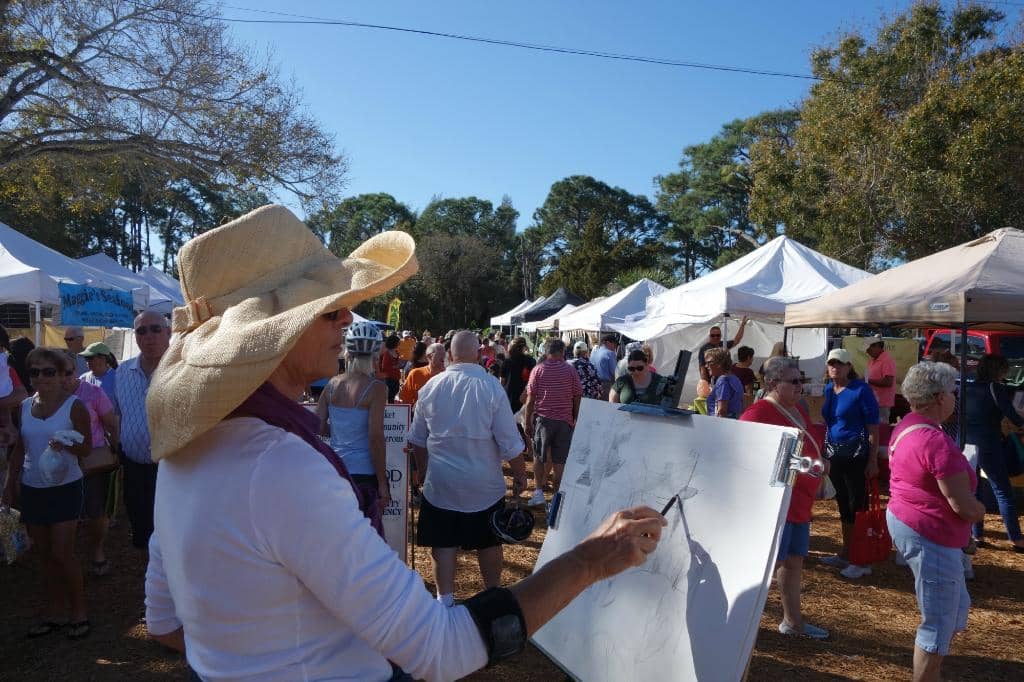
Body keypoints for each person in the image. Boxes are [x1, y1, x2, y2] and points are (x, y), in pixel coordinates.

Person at [140, 207, 668, 679]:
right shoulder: (280, 467)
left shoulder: (187, 453)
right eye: (328, 310)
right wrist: (593, 559)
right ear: (272, 334)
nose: (347, 318)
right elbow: (443, 651)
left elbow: (165, 624)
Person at [410, 330, 531, 607]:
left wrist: (422, 470)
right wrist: (521, 476)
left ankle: (445, 601)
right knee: (488, 542)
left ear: (450, 355)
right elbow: (509, 441)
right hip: (484, 484)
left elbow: (418, 440)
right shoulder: (491, 387)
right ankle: (491, 597)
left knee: (444, 543)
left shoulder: (430, 387)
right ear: (478, 354)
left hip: (441, 483)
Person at [887, 362, 985, 682]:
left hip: (916, 524)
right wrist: (980, 511)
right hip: (930, 533)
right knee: (938, 623)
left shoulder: (906, 426)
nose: (956, 397)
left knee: (951, 610)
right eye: (954, 391)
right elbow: (964, 506)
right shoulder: (934, 440)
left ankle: (933, 674)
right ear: (940, 396)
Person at [2, 347, 92, 639]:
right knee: (43, 556)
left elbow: (86, 449)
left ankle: (78, 612)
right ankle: (54, 611)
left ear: (61, 374)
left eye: (48, 372)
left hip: (65, 486)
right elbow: (20, 449)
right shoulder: (25, 406)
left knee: (62, 553)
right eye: (35, 372)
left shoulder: (75, 406)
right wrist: (9, 483)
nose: (41, 378)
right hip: (33, 487)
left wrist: (65, 443)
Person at [740, 356, 829, 640]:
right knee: (767, 566)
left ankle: (793, 622)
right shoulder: (756, 414)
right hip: (777, 505)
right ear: (771, 383)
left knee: (793, 562)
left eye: (800, 381)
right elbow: (750, 460)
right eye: (793, 382)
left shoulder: (795, 409)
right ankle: (741, 625)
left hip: (798, 503)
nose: (799, 387)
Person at [318, 321, 389, 536]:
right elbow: (375, 437)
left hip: (336, 469)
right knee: (366, 541)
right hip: (363, 475)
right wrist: (382, 483)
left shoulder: (332, 385)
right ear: (375, 354)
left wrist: (341, 431)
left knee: (338, 536)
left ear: (347, 352)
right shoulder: (377, 388)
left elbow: (318, 425)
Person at [821, 348, 880, 579]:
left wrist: (873, 460)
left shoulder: (861, 390)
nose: (835, 367)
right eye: (831, 363)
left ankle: (861, 559)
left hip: (857, 455)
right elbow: (828, 421)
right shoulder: (829, 389)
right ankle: (847, 552)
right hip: (836, 454)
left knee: (858, 506)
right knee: (843, 504)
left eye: (840, 363)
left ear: (849, 366)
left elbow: (873, 427)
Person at [115, 310, 170, 552]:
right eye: (141, 330)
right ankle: (149, 578)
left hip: (172, 467)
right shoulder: (122, 372)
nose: (149, 335)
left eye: (156, 329)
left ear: (168, 333)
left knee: (171, 527)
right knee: (141, 525)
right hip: (134, 466)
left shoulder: (183, 370)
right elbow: (118, 414)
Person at [64, 355, 119, 576]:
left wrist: (115, 451)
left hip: (92, 461)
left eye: (67, 372)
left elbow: (111, 424)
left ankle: (97, 548)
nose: (62, 377)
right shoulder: (45, 396)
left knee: (96, 510)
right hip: (61, 462)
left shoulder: (93, 392)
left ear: (74, 371)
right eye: (54, 372)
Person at [966, 354, 1024, 550]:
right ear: (998, 370)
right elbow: (1013, 416)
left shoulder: (968, 387)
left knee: (975, 490)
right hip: (989, 443)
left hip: (968, 444)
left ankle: (977, 535)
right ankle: (1016, 539)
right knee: (1003, 492)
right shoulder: (995, 388)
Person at [523, 339, 583, 506]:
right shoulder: (570, 371)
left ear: (546, 351)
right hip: (564, 421)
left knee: (539, 457)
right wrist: (576, 418)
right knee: (560, 461)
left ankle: (539, 492)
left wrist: (527, 422)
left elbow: (530, 399)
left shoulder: (538, 370)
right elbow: (578, 395)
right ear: (562, 351)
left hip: (543, 419)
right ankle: (557, 498)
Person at [698, 316, 748, 382]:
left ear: (721, 336)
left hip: (722, 379)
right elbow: (702, 368)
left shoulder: (723, 344)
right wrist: (705, 384)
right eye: (713, 335)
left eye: (718, 335)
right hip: (711, 382)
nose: (715, 337)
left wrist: (742, 325)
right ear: (709, 336)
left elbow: (736, 340)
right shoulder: (704, 349)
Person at [399, 342, 445, 409]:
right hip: (419, 417)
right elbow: (405, 400)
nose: (443, 356)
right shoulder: (415, 374)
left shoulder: (449, 375)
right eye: (440, 354)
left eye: (444, 353)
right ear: (430, 356)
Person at [865, 335, 897, 424]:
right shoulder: (873, 360)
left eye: (869, 349)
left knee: (881, 429)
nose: (867, 352)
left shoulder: (887, 360)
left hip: (882, 403)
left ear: (878, 346)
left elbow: (888, 382)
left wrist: (868, 380)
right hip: (873, 401)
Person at [705, 347, 744, 419]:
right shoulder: (735, 378)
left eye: (709, 362)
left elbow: (722, 411)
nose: (706, 366)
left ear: (719, 363)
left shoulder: (723, 380)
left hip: (722, 425)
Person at [500, 336, 535, 414]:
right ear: (525, 346)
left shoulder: (507, 361)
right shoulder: (531, 361)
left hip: (510, 396)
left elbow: (502, 382)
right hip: (525, 395)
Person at [589, 334, 619, 399]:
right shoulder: (610, 353)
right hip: (605, 386)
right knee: (606, 407)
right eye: (615, 344)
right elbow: (614, 373)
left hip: (593, 385)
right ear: (607, 343)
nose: (615, 347)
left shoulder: (594, 352)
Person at [377, 334, 402, 402]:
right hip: (389, 378)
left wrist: (398, 364)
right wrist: (395, 366)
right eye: (398, 342)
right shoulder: (387, 353)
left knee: (394, 393)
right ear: (394, 343)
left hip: (396, 377)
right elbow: (384, 367)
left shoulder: (396, 352)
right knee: (390, 396)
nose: (399, 343)